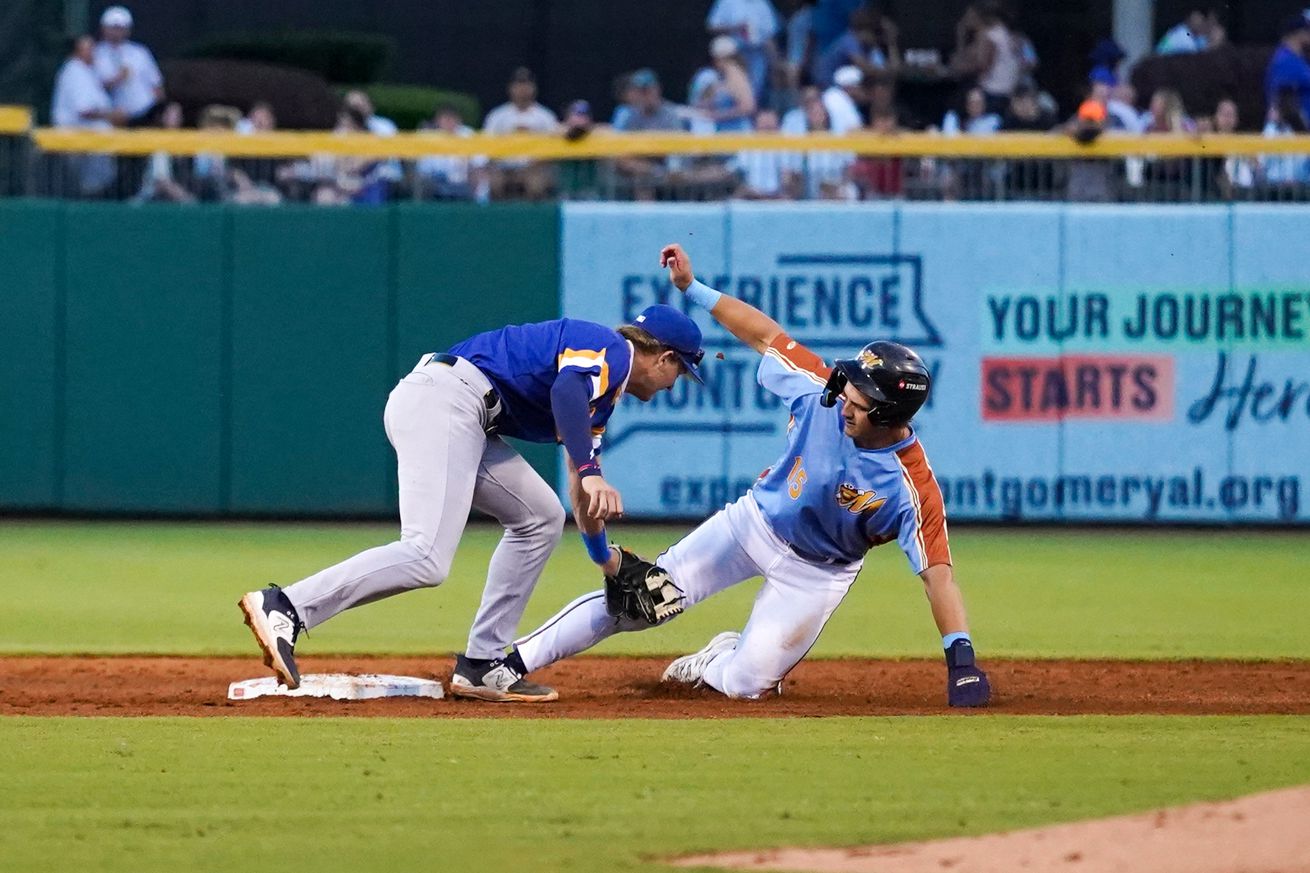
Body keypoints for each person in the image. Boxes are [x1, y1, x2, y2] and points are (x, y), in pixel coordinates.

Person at [506, 244, 992, 707]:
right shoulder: (821, 391)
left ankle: (718, 658)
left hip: (816, 573)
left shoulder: (911, 487)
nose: (845, 400)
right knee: (638, 599)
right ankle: (511, 662)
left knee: (745, 685)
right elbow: (764, 336)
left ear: (888, 416)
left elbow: (938, 577)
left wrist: (961, 661)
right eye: (850, 389)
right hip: (751, 524)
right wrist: (694, 288)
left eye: (861, 401)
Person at [239, 305, 709, 703]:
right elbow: (567, 397)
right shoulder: (608, 350)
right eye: (679, 372)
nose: (674, 384)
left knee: (541, 517)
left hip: (464, 414)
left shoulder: (602, 396)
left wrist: (606, 560)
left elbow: (577, 483)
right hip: (446, 402)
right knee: (426, 556)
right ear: (664, 357)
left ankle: (483, 663)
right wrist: (592, 472)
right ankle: (287, 605)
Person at [50, 34, 121, 197]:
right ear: (76, 52)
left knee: (93, 186)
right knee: (85, 190)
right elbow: (84, 110)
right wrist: (112, 116)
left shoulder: (86, 71)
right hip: (78, 142)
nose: (93, 52)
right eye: (88, 48)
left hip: (89, 144)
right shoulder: (75, 70)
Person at [482, 67, 560, 200]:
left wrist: (533, 165)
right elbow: (486, 146)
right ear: (511, 88)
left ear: (533, 88)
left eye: (526, 85)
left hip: (534, 168)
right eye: (518, 85)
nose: (522, 90)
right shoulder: (497, 116)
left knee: (535, 184)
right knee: (494, 183)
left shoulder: (545, 116)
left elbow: (554, 148)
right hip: (504, 167)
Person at [92, 5, 163, 126]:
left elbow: (155, 84)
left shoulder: (140, 52)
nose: (117, 32)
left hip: (145, 112)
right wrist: (117, 79)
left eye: (121, 28)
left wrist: (159, 110)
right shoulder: (95, 53)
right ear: (104, 28)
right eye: (114, 28)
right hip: (115, 117)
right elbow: (94, 87)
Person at [1266, 11, 1310, 129]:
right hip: (1290, 132)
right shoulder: (1285, 60)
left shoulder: (1297, 59)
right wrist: (1301, 128)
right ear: (1299, 33)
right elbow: (1285, 102)